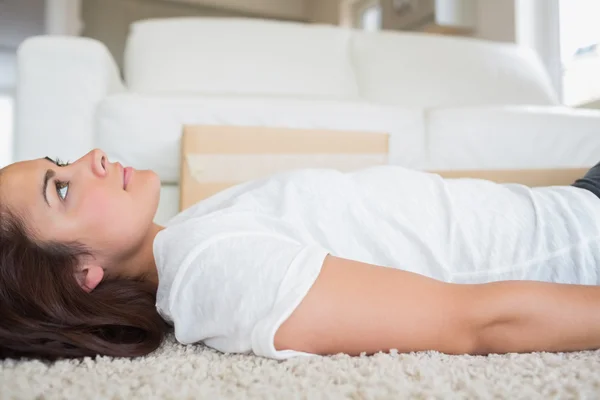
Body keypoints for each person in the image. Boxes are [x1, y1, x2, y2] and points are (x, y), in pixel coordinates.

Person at [1, 148, 600, 361]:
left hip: (573, 206)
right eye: (63, 188)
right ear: (81, 274)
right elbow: (474, 323)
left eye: (61, 162)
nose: (94, 158)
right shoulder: (214, 268)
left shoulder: (188, 233)